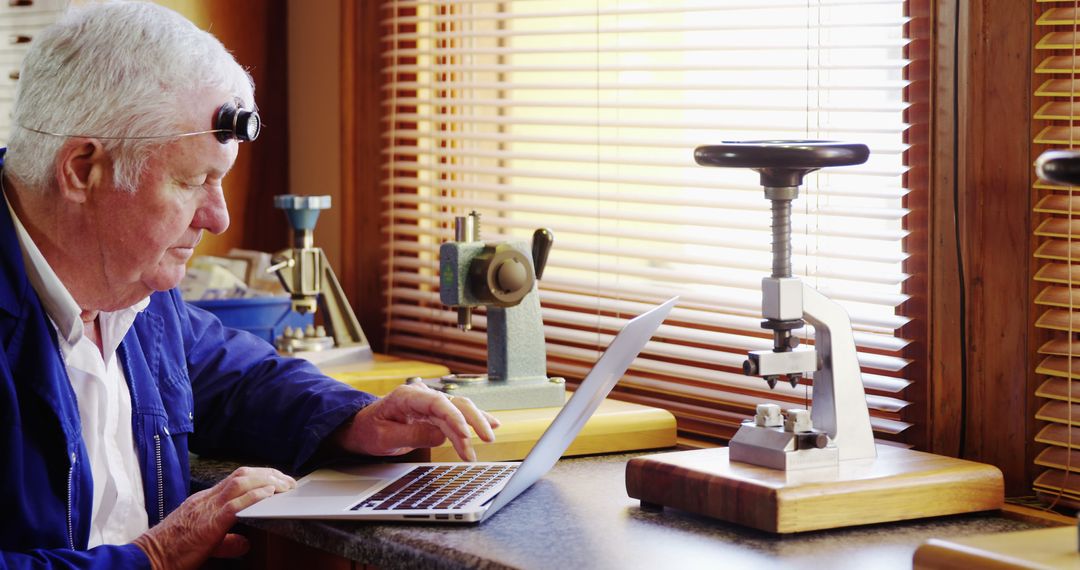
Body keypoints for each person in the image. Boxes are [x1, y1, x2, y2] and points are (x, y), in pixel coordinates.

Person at [0, 2, 500, 568]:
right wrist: (155, 557)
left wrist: (356, 419)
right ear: (83, 170)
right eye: (192, 181)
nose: (218, 218)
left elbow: (234, 376)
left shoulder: (129, 285)